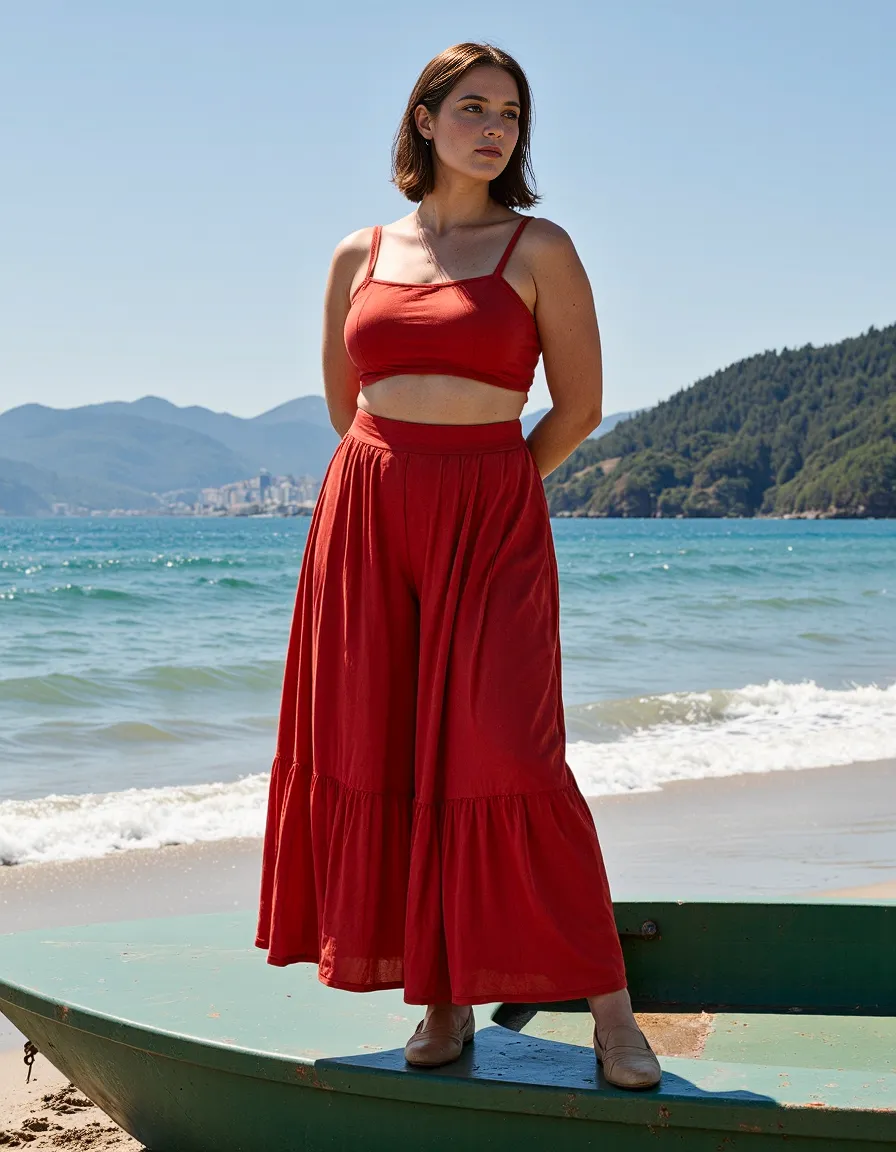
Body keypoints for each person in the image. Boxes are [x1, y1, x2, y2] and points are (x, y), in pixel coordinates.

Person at [255, 40, 661, 1091]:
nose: (494, 128)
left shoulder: (539, 248)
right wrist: (401, 481)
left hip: (490, 518)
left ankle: (610, 1010)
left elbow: (577, 407)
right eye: (473, 107)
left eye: (511, 114)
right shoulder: (357, 254)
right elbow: (348, 409)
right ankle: (442, 998)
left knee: (508, 757)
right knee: (400, 752)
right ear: (423, 120)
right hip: (368, 518)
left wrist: (497, 486)